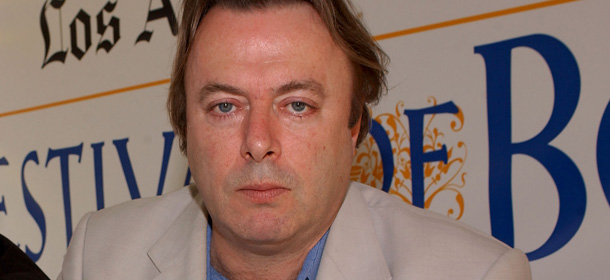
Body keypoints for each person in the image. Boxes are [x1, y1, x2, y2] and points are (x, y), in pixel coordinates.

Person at [57, 0, 532, 279]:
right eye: (225, 106)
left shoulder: (477, 274)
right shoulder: (97, 258)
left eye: (297, 105)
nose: (258, 142)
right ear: (185, 125)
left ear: (353, 125)